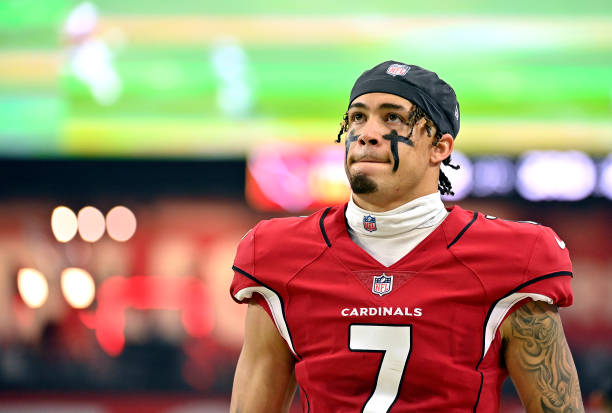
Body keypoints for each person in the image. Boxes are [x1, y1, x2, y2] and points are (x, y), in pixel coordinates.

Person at [229, 61, 584, 413]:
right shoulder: (280, 254)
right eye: (357, 117)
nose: (367, 133)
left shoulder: (512, 258)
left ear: (440, 148)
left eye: (393, 118)